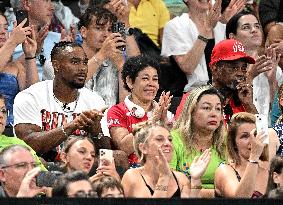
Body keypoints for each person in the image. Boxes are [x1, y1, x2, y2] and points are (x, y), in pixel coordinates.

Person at [13, 41, 108, 162]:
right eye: (74, 62)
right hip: (45, 167)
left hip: (81, 165)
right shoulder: (30, 96)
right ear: (56, 65)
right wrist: (73, 125)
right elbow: (29, 145)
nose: (83, 68)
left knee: (117, 157)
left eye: (84, 62)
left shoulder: (95, 100)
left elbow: (105, 152)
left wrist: (96, 131)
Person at [161, 0, 245, 93]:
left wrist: (228, 23)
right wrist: (207, 28)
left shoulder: (219, 25)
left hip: (221, 92)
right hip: (189, 95)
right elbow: (188, 67)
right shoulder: (175, 26)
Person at [107, 55, 173, 167]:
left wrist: (164, 123)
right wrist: (152, 120)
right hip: (130, 174)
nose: (151, 84)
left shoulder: (165, 113)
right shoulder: (116, 111)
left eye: (155, 79)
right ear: (130, 82)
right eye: (145, 78)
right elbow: (123, 147)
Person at [121, 121, 211, 198]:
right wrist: (164, 177)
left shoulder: (180, 178)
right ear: (144, 148)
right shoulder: (132, 176)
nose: (168, 143)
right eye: (159, 139)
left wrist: (195, 179)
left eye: (170, 139)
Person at [171, 85, 226, 198]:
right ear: (191, 111)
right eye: (206, 108)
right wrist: (215, 193)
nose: (213, 114)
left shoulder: (227, 141)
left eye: (218, 109)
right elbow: (169, 184)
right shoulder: (173, 140)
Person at [226, 10, 282, 116]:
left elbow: (278, 114)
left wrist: (272, 81)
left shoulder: (272, 66)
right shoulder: (227, 68)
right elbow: (231, 106)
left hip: (269, 129)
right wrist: (250, 76)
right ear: (232, 37)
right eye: (246, 27)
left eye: (257, 26)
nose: (254, 30)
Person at [214, 112, 271, 198]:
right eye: (245, 136)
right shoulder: (224, 170)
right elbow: (241, 199)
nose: (253, 141)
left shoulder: (269, 169)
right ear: (233, 143)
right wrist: (254, 156)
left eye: (255, 134)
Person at [0, 11, 38, 136]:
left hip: (13, 130)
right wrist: (12, 42)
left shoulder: (16, 67)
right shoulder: (12, 43)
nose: (3, 32)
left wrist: (30, 55)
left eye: (5, 27)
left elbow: (34, 96)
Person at [10, 0, 60, 80]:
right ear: (27, 4)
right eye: (46, 1)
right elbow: (6, 73)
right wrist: (34, 52)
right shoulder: (6, 38)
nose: (52, 7)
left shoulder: (59, 39)